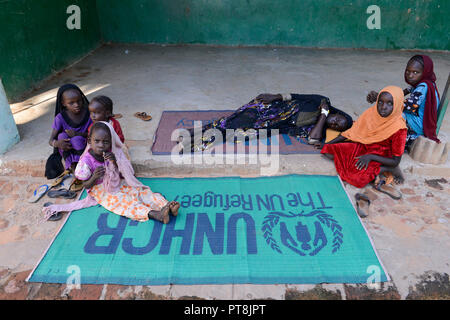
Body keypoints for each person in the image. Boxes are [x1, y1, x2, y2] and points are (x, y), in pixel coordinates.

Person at [43, 121, 180, 223]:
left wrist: (114, 162)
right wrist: (94, 177)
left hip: (117, 183)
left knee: (140, 191)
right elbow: (85, 186)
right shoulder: (86, 161)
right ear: (89, 140)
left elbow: (122, 171)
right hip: (101, 190)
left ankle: (165, 205)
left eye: (106, 142)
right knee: (124, 201)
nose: (101, 145)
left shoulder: (111, 153)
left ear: (111, 142)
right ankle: (155, 214)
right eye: (97, 141)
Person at [179, 93, 353, 152]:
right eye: (339, 118)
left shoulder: (318, 128)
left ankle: (194, 141)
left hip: (274, 124)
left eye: (337, 125)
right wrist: (276, 96)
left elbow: (313, 139)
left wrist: (323, 116)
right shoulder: (323, 100)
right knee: (237, 120)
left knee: (237, 131)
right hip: (273, 107)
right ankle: (196, 133)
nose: (336, 121)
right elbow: (298, 96)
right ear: (338, 113)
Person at [321, 86, 407, 189]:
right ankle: (369, 170)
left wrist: (370, 157)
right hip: (364, 146)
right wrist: (327, 143)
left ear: (397, 104)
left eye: (390, 103)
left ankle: (386, 169)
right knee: (328, 150)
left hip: (381, 157)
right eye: (380, 102)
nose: (383, 107)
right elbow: (352, 133)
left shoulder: (399, 128)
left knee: (357, 179)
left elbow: (395, 161)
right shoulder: (371, 113)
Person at [367, 55, 440, 147]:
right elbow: (399, 94)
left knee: (391, 112)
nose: (410, 75)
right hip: (418, 120)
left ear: (425, 72)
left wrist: (382, 100)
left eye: (415, 72)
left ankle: (392, 139)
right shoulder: (420, 83)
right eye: (408, 71)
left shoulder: (422, 87)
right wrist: (381, 96)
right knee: (388, 108)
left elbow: (409, 106)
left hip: (419, 125)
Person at [48, 84, 92, 173]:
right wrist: (57, 143)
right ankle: (73, 167)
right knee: (61, 136)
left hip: (86, 146)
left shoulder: (90, 114)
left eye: (79, 101)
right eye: (71, 103)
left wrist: (78, 134)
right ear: (63, 103)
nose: (76, 105)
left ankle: (84, 166)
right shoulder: (60, 118)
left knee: (77, 139)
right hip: (68, 149)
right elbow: (51, 140)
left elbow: (95, 135)